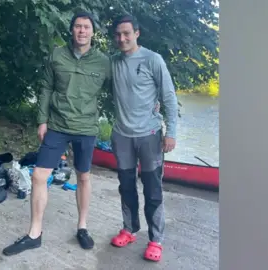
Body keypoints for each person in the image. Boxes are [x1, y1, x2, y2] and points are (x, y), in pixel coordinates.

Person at [2, 12, 111, 256]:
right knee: (40, 176)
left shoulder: (103, 62)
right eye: (78, 27)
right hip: (58, 126)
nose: (82, 31)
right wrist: (42, 120)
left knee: (83, 177)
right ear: (72, 30)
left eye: (86, 27)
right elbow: (46, 88)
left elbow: (121, 88)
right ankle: (34, 234)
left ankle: (82, 227)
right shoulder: (57, 55)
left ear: (93, 32)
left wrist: (149, 103)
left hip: (86, 128)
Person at [108, 15, 178, 262]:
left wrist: (171, 133)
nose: (122, 38)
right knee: (126, 186)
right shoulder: (113, 62)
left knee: (153, 190)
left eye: (126, 33)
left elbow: (168, 98)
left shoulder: (153, 60)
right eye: (118, 34)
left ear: (137, 33)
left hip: (149, 136)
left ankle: (156, 239)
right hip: (122, 136)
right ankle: (129, 229)